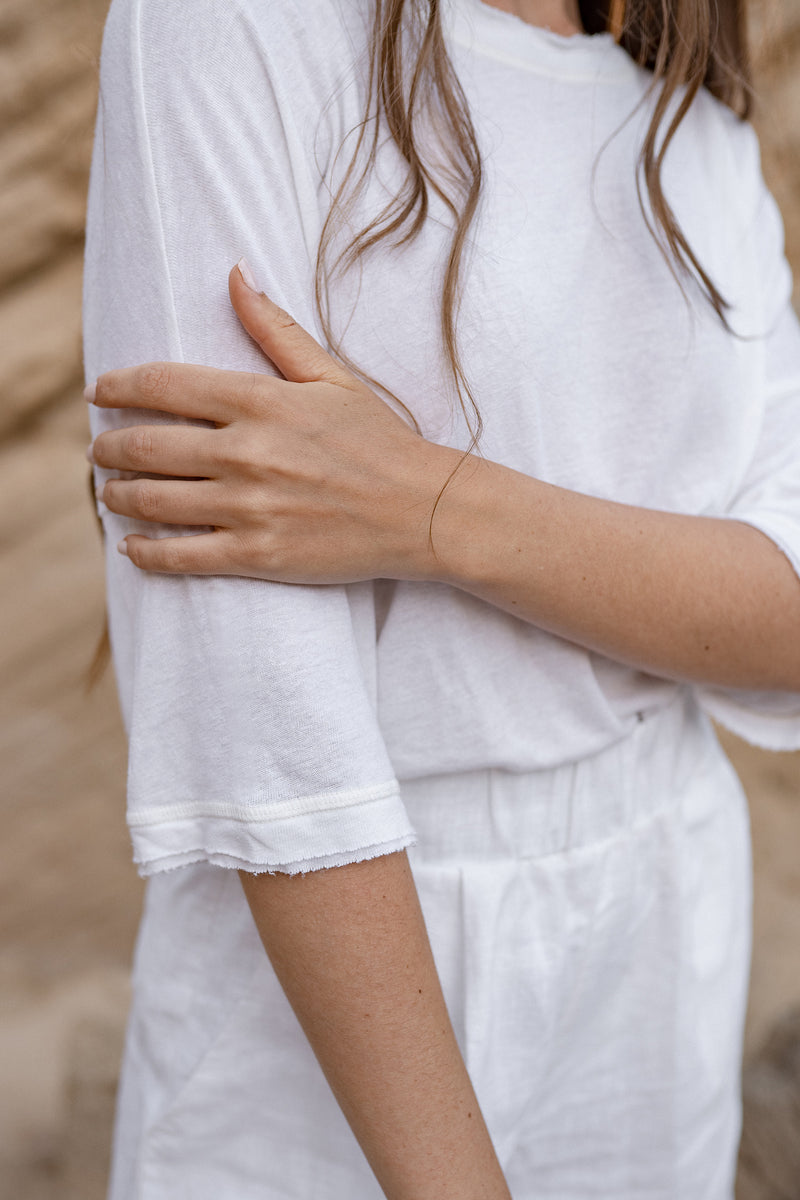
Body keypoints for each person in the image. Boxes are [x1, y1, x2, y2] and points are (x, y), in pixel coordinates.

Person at [82, 0, 800, 1195]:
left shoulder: (692, 128)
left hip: (662, 917)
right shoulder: (224, 27)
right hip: (347, 955)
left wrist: (426, 505)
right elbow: (267, 726)